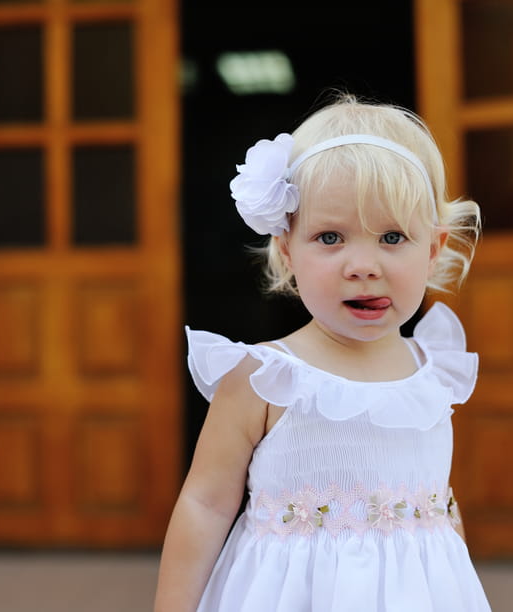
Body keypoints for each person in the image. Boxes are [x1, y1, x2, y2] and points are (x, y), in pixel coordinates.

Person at [154, 94, 491, 611]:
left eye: (392, 236)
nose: (363, 265)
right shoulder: (265, 377)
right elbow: (205, 504)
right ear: (287, 250)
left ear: (433, 249)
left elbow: (438, 507)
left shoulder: (432, 372)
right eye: (330, 237)